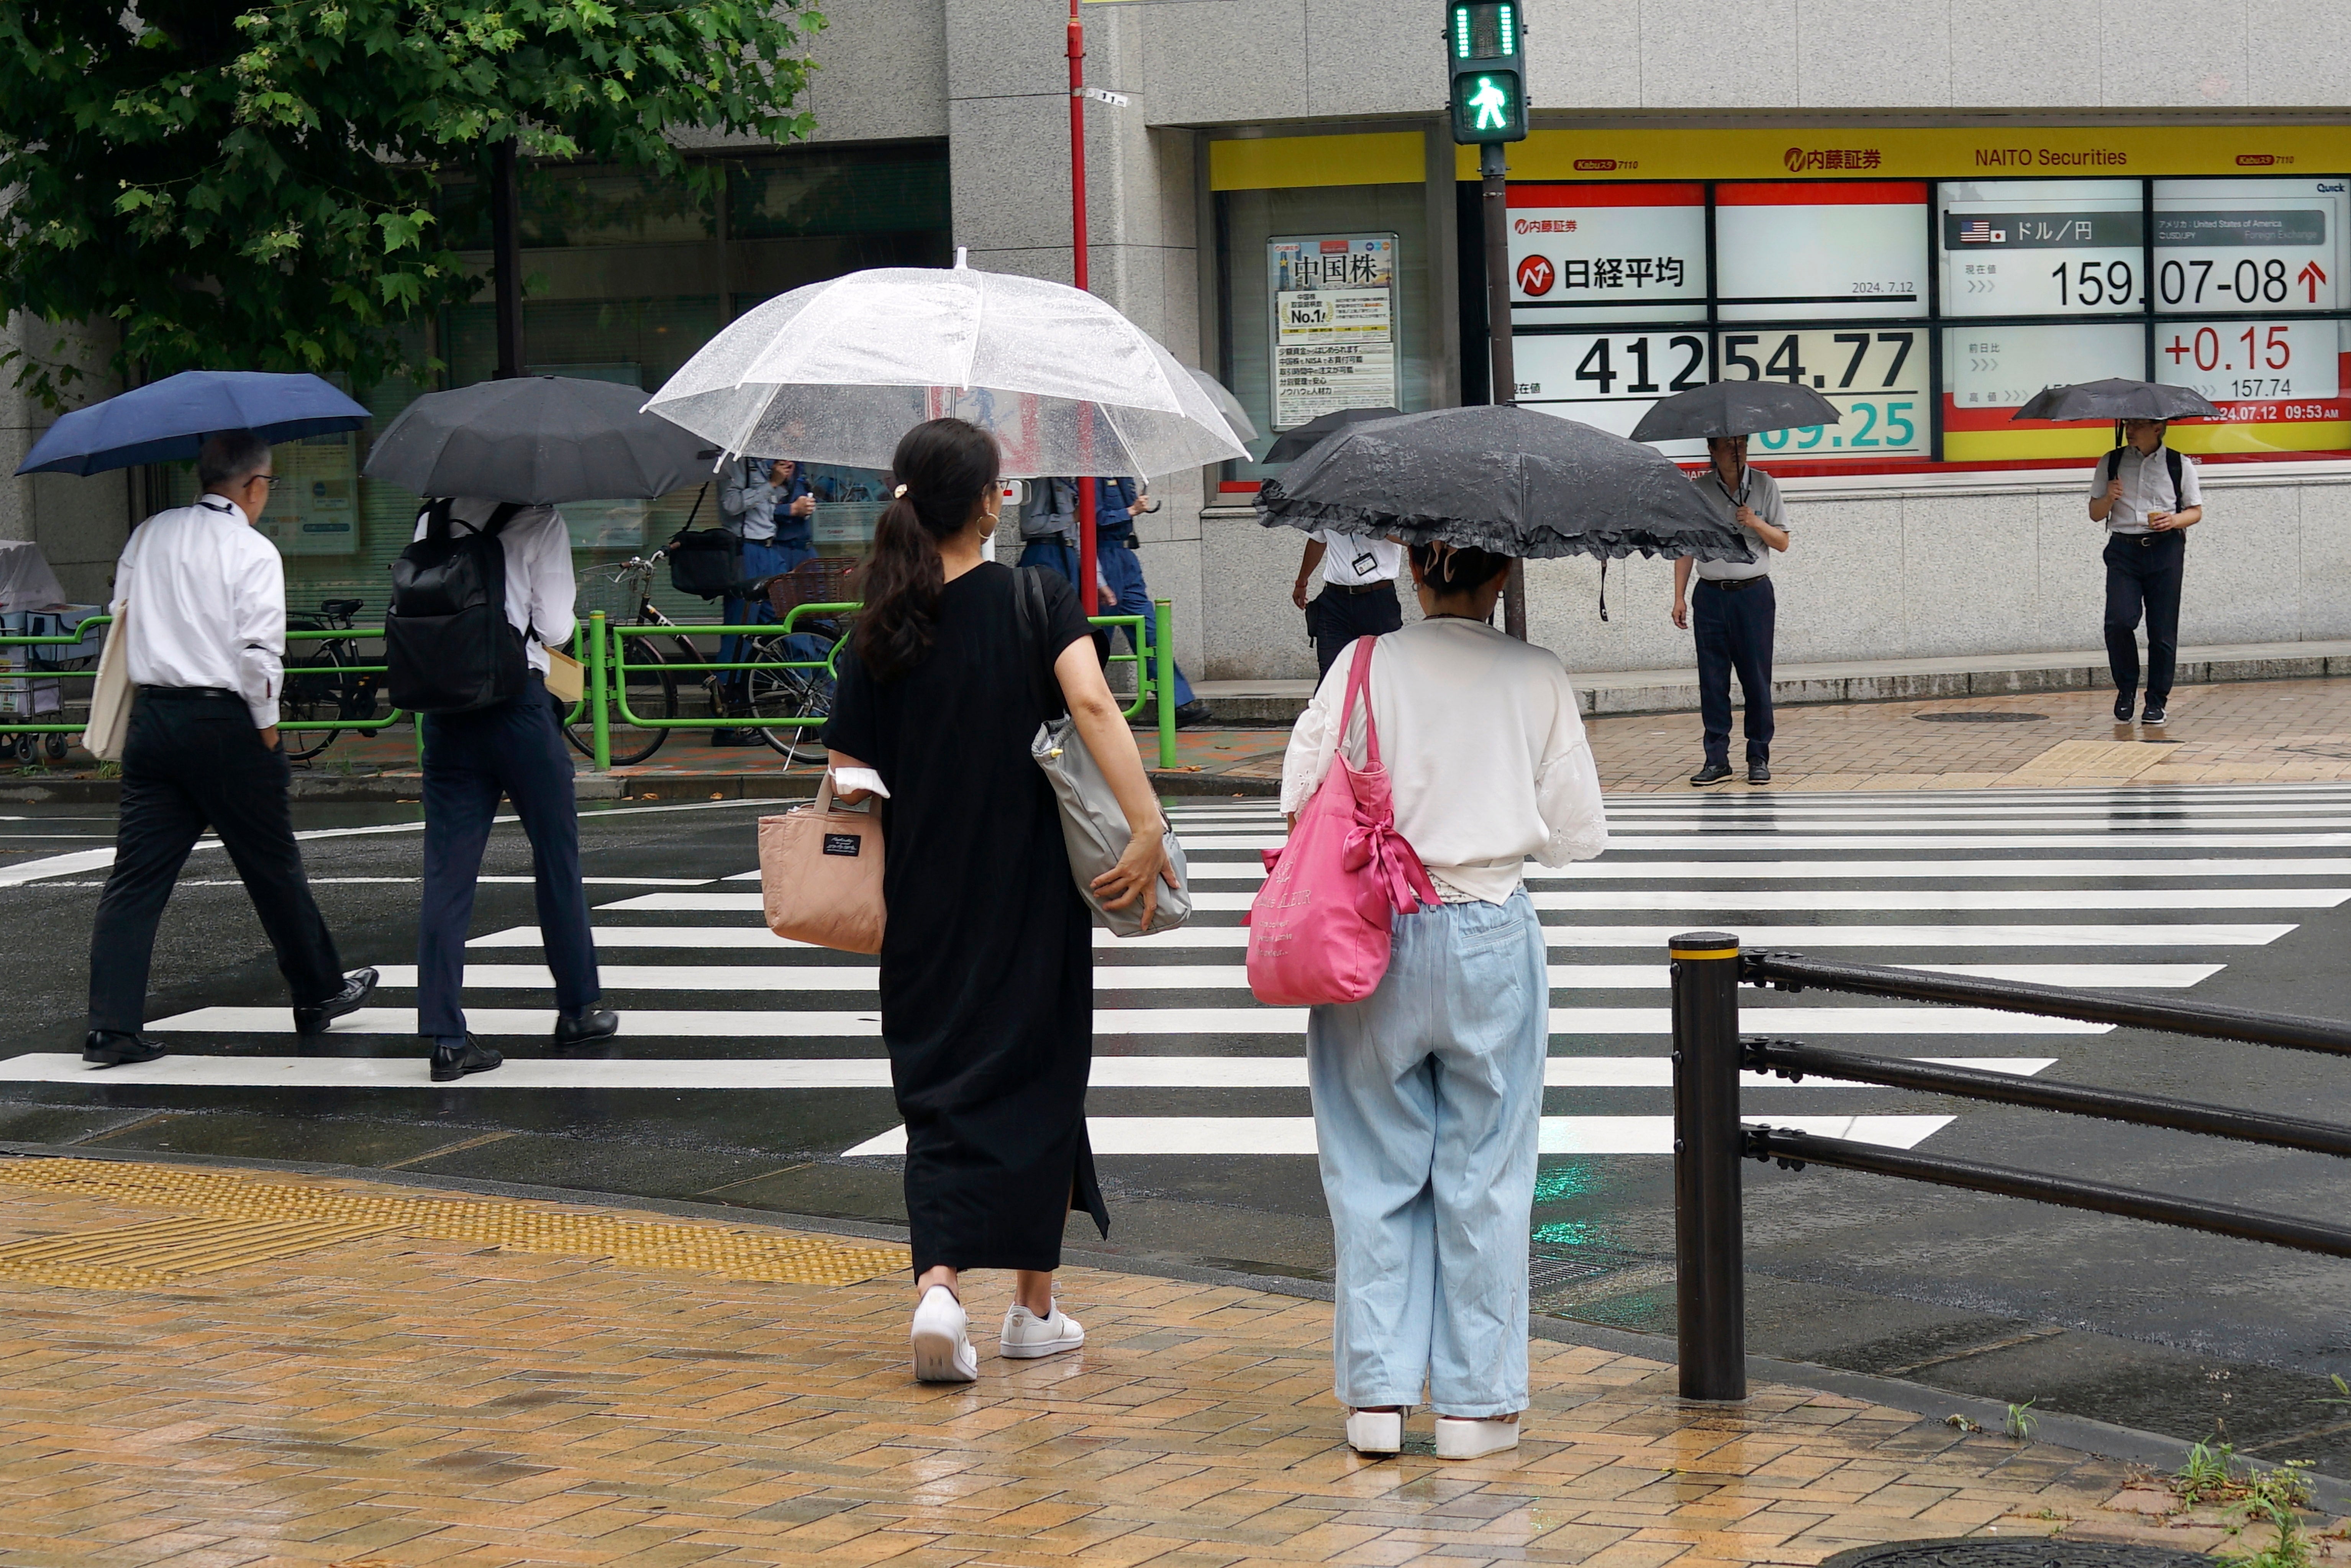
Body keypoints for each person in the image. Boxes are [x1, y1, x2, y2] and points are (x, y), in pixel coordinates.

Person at [823, 418, 1175, 1384]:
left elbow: (848, 776)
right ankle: (1031, 1306)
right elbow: (1095, 705)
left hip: (923, 896)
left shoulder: (881, 623)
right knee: (1041, 1073)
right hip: (1030, 888)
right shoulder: (1035, 595)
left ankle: (942, 1286)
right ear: (986, 501)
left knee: (939, 1090)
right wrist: (1146, 826)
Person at [1279, 541, 1608, 1460]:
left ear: (1413, 573)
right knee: (1486, 1175)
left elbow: (1296, 792)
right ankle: (1474, 1406)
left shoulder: (1362, 661)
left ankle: (1376, 1401)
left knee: (1371, 1166)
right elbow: (1577, 833)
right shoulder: (1536, 673)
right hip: (1490, 927)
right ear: (1500, 574)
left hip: (1373, 935)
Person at [84, 431, 376, 1066]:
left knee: (136, 876)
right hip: (225, 722)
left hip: (155, 718)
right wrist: (270, 735)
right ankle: (319, 991)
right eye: (268, 483)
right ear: (252, 485)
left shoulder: (149, 534)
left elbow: (121, 610)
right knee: (272, 865)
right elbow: (256, 656)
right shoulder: (252, 549)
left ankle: (111, 1024)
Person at [412, 496, 616, 1083]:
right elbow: (554, 627)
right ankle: (577, 1009)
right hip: (518, 706)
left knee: (447, 872)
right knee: (556, 857)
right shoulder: (538, 517)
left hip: (448, 710)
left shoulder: (434, 516)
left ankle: (446, 1037)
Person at [1022, 476, 1212, 728]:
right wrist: (1131, 510)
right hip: (1100, 552)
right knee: (1097, 639)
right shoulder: (1088, 477)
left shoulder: (1120, 478)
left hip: (1122, 556)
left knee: (1149, 630)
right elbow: (1091, 519)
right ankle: (1085, 703)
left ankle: (1176, 703)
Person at [1671, 435, 1790, 787]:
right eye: (1728, 445)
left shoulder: (1766, 485)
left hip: (1753, 595)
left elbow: (1782, 542)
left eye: (1742, 444)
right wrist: (1679, 596)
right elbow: (1685, 547)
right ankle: (1716, 759)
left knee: (1756, 678)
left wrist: (1755, 522)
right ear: (1712, 450)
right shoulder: (1699, 490)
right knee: (1712, 680)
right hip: (1710, 595)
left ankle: (1758, 756)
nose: (1736, 451)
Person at [2090, 418, 2202, 727]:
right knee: (2119, 622)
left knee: (2162, 630)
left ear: (2158, 428)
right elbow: (2095, 514)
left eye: (2139, 424)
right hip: (2124, 550)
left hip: (2165, 549)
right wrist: (2108, 497)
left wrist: (2174, 521)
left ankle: (2156, 701)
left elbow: (2196, 511)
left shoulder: (2179, 464)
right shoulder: (2111, 462)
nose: (2130, 429)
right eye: (2128, 423)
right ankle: (2126, 691)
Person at [711, 456, 817, 745]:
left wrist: (784, 485)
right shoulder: (735, 464)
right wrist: (772, 483)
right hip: (746, 553)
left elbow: (772, 505)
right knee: (738, 638)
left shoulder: (764, 464)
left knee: (789, 626)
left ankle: (810, 713)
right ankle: (726, 724)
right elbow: (731, 506)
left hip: (772, 552)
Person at [1292, 529, 1405, 681]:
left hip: (1378, 599)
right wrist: (1302, 582)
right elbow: (1318, 540)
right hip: (1335, 600)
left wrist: (1374, 525)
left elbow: (1409, 539)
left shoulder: (1386, 507)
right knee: (1331, 672)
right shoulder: (1330, 507)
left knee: (1383, 672)